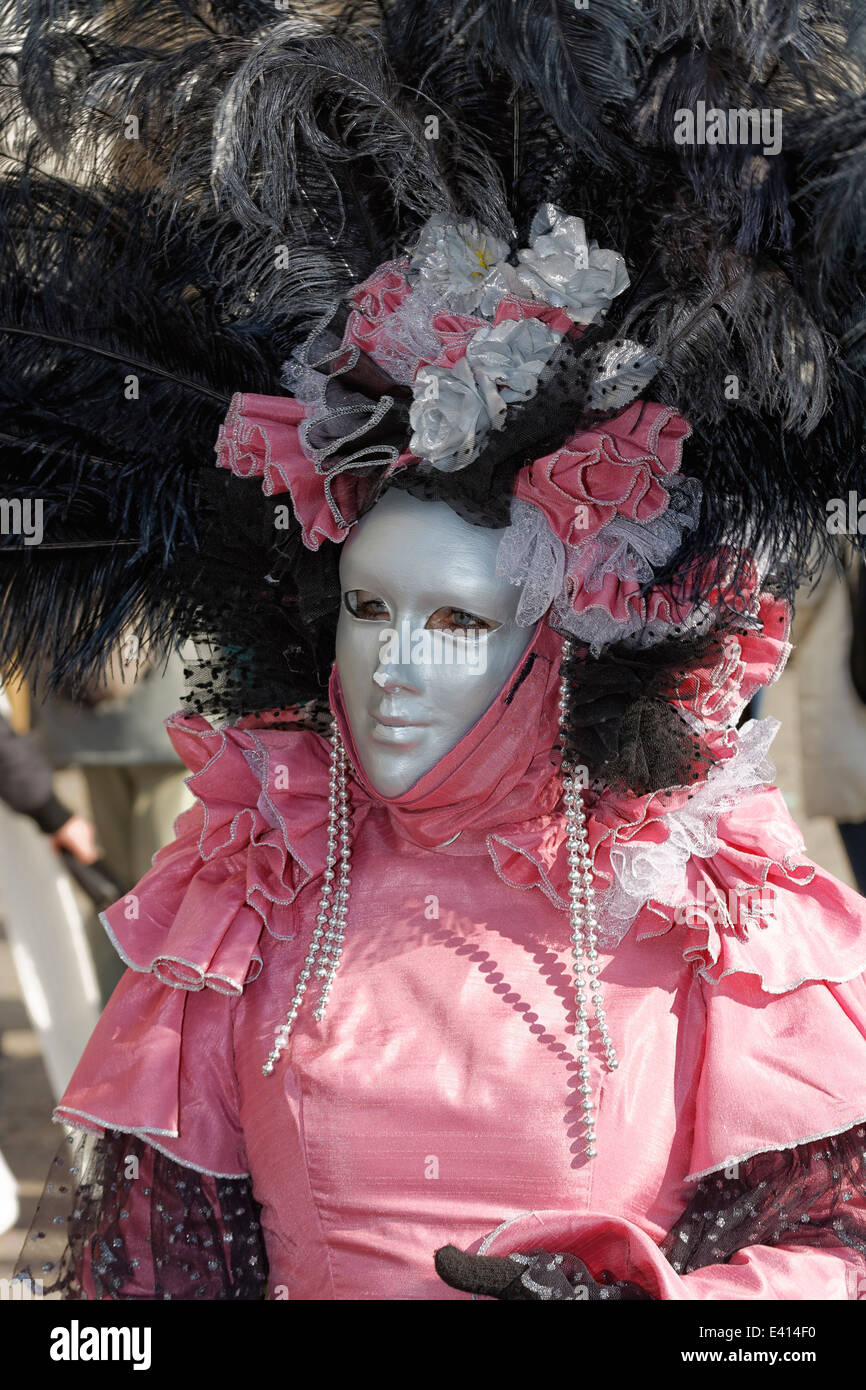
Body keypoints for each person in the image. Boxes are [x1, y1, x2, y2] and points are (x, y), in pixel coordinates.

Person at [2, 1, 865, 1301]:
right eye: (369, 609)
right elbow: (134, 1300)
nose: (394, 665)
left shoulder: (708, 906)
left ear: (562, 637)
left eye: (458, 620)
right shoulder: (250, 887)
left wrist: (670, 1304)